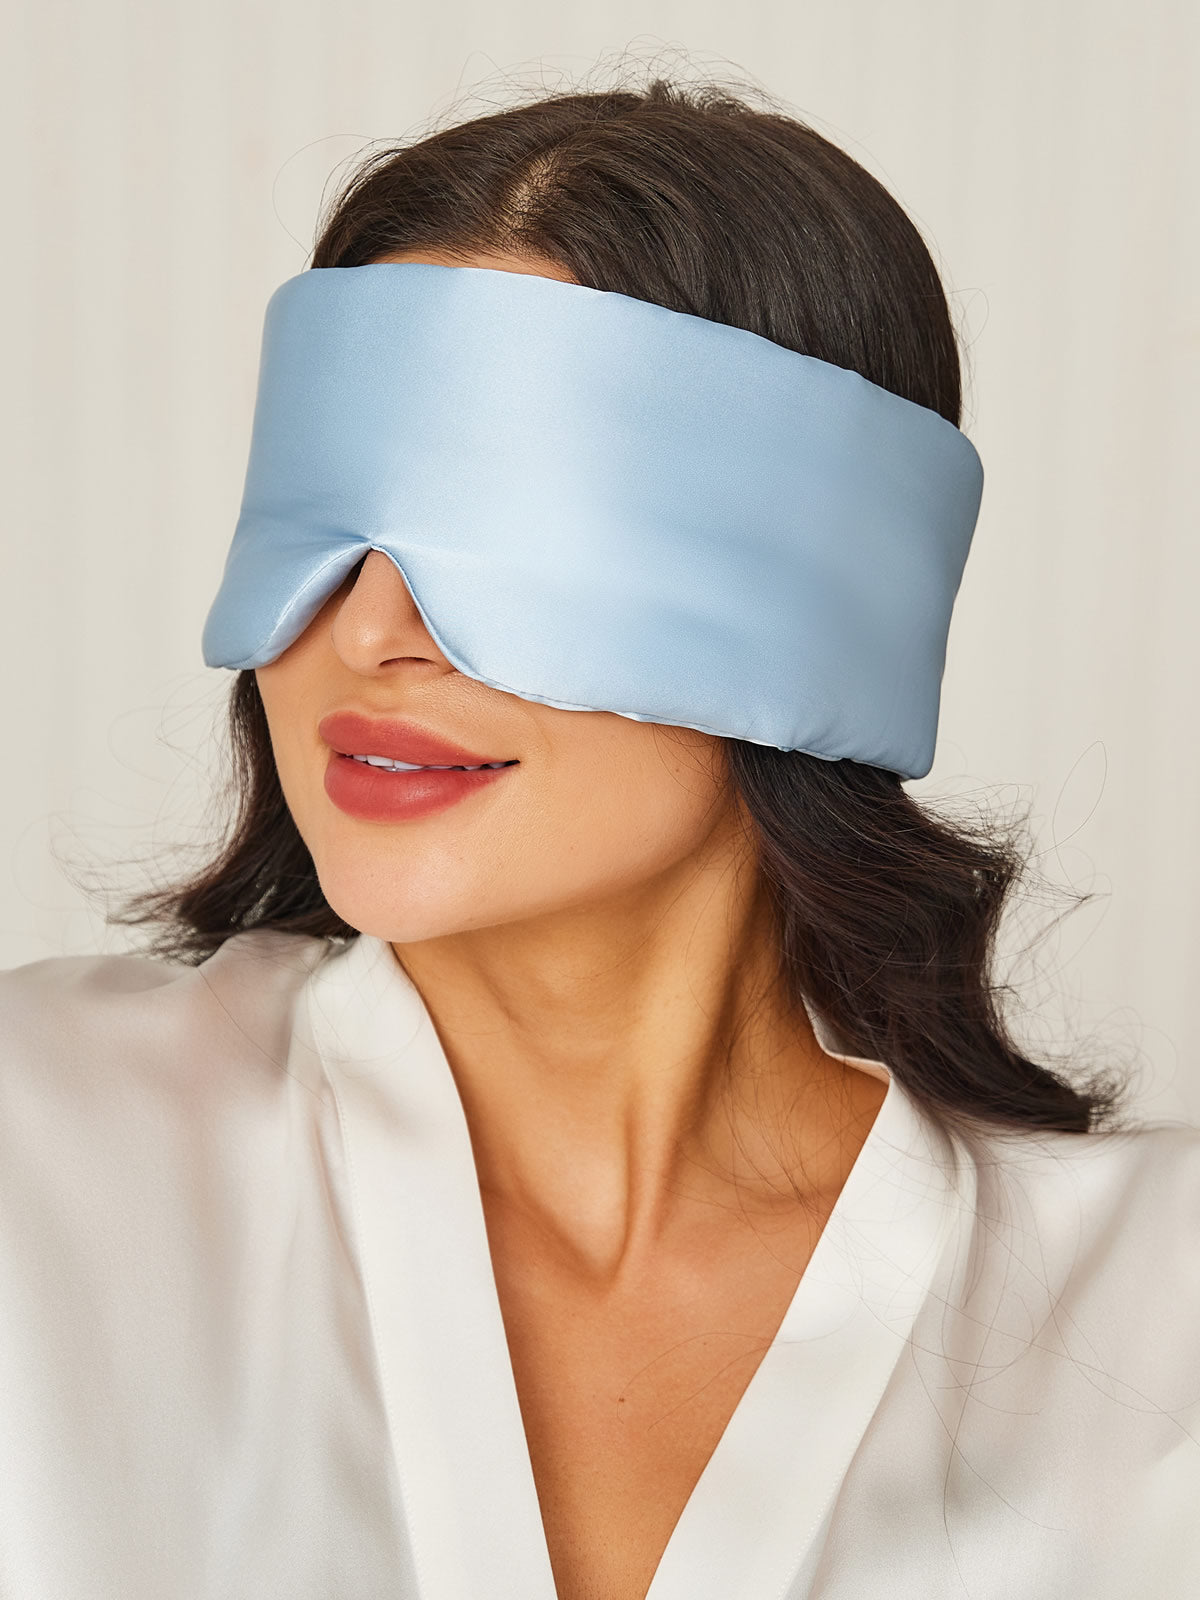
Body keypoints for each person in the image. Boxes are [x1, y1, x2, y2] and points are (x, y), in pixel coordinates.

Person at [2, 76, 1197, 1600]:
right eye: (326, 530)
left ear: (818, 608)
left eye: (507, 532)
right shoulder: (41, 1161)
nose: (366, 634)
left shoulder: (1156, 1317)